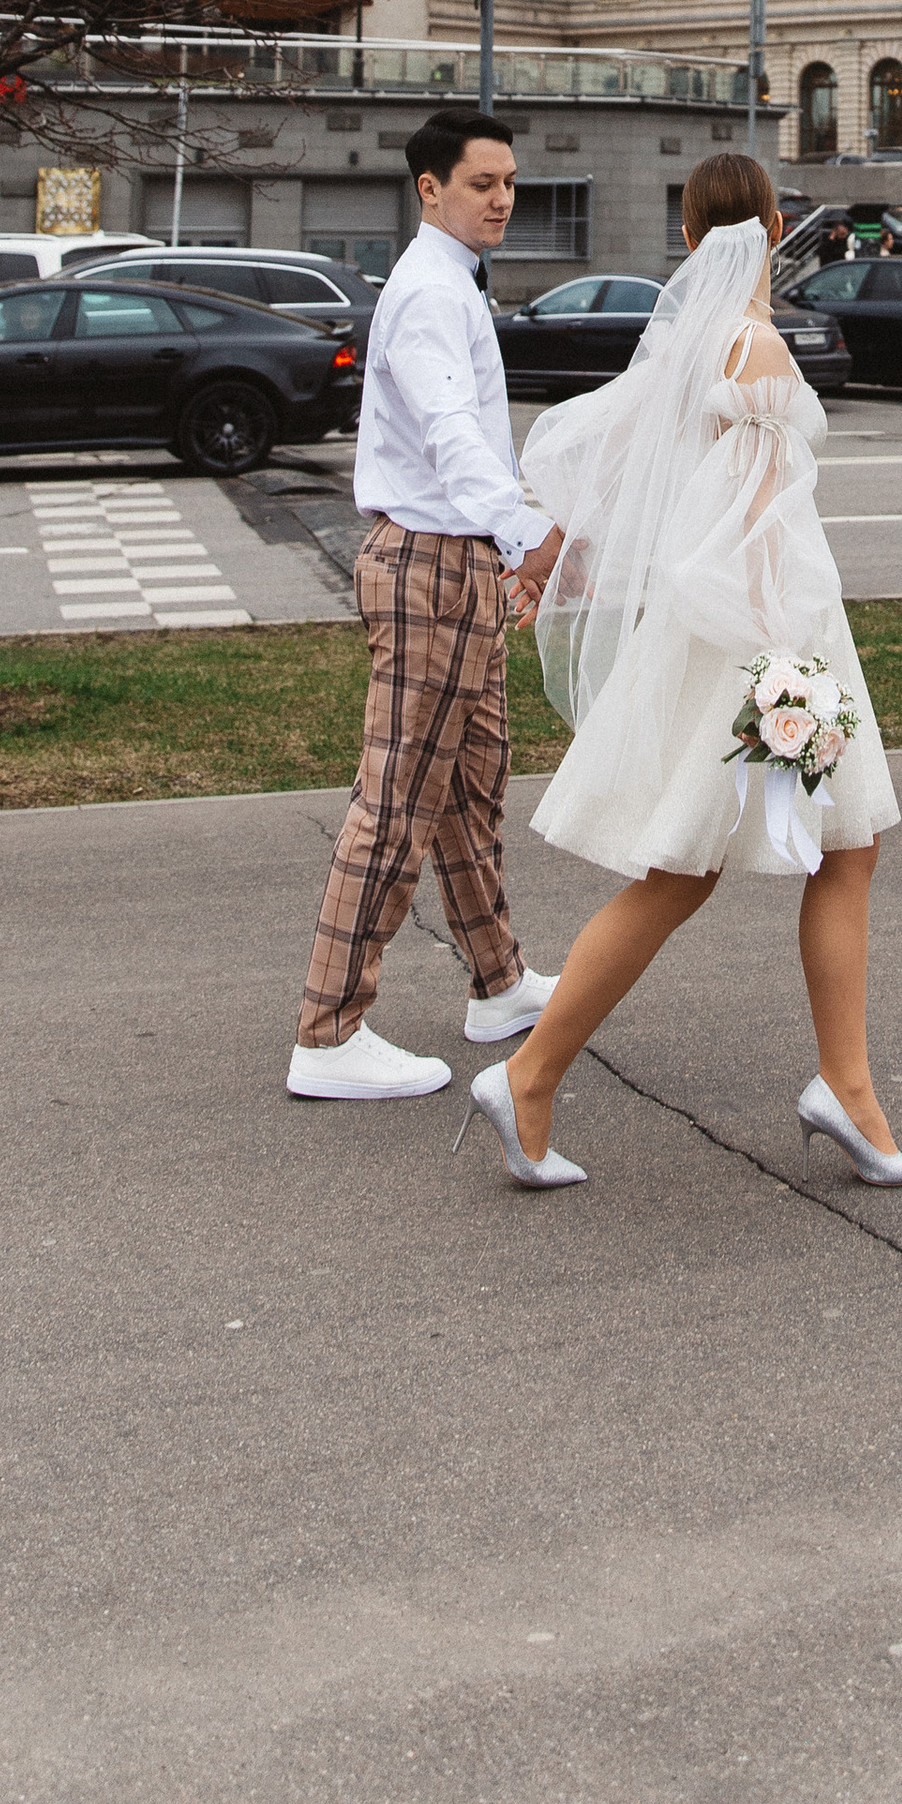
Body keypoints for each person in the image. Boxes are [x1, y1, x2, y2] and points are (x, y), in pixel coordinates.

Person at [464, 148, 902, 1196]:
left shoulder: (678, 344)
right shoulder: (753, 346)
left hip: (720, 637)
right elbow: (764, 523)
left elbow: (601, 463)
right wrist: (792, 668)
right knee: (730, 865)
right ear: (772, 230)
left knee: (812, 854)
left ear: (687, 239)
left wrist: (551, 560)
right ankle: (535, 1073)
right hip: (770, 640)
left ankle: (841, 1088)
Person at [286, 113, 563, 1103]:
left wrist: (508, 546)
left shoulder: (450, 284)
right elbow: (451, 433)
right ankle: (328, 1033)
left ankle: (497, 982)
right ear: (428, 188)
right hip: (429, 566)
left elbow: (470, 441)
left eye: (509, 182)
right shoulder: (427, 295)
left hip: (461, 561)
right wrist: (528, 536)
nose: (500, 199)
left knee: (468, 789)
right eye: (481, 182)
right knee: (398, 801)